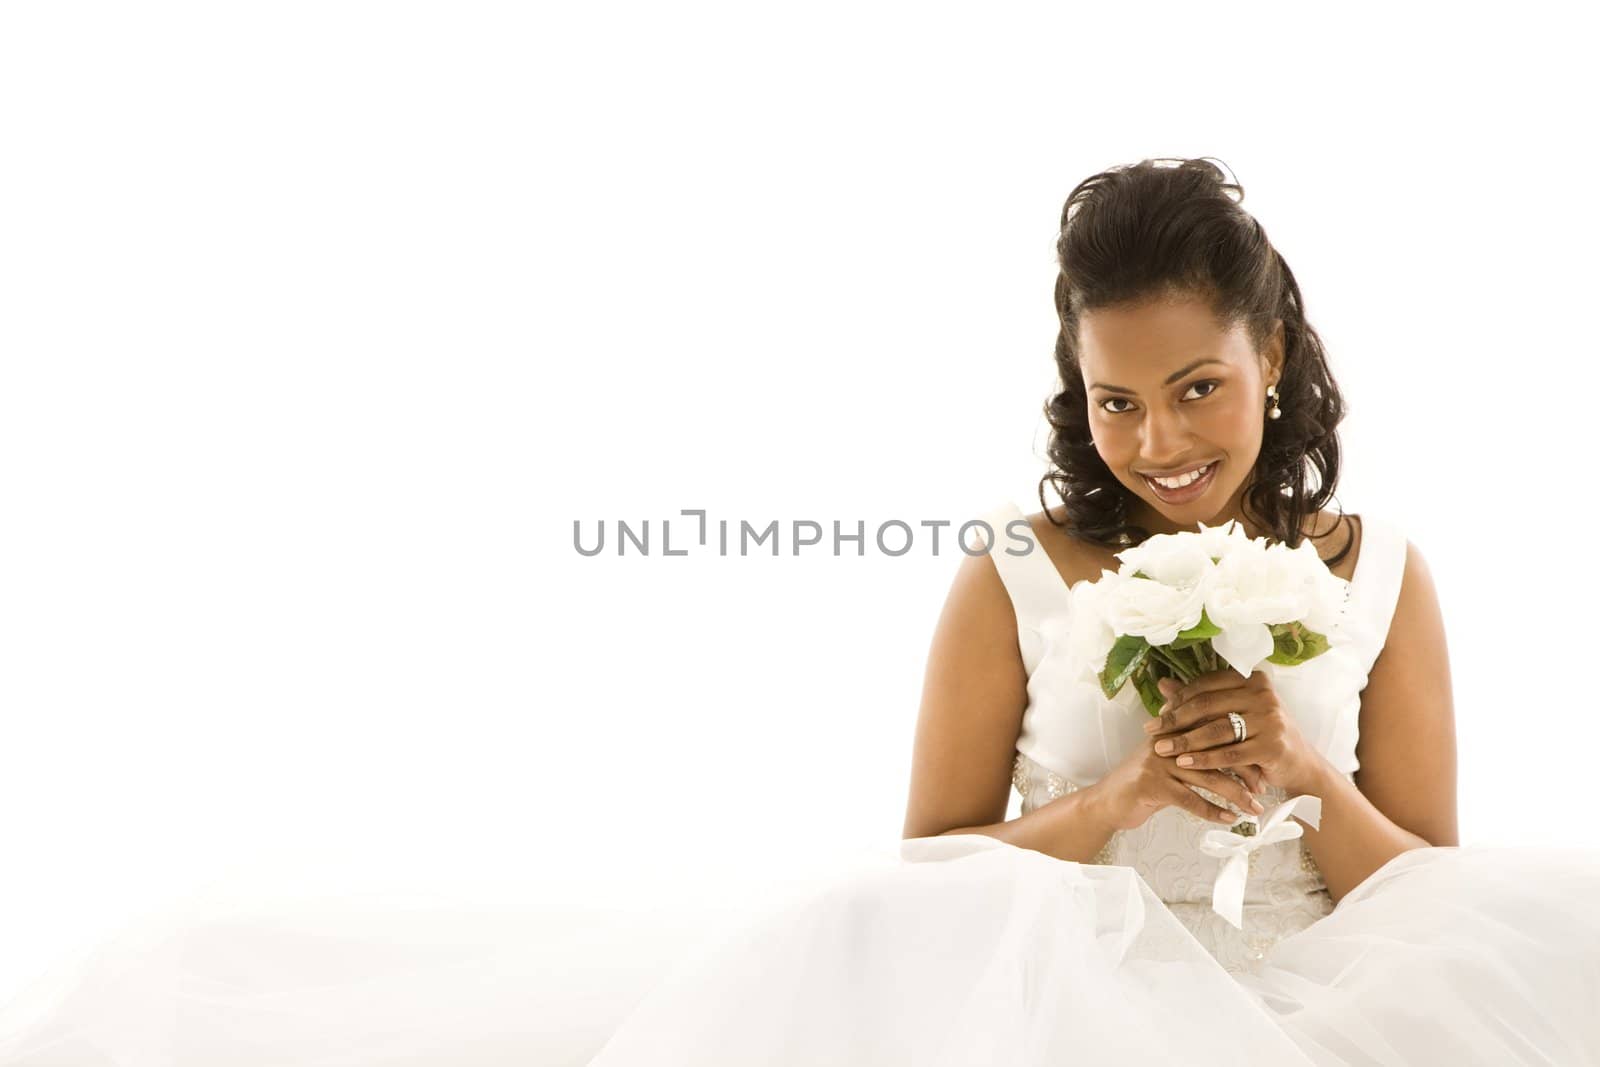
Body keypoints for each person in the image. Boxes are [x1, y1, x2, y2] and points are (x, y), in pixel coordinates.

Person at [585, 158, 1600, 1065]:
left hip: (1331, 1011)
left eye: (1199, 387)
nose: (1160, 442)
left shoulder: (1382, 571)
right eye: (1116, 401)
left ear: (1274, 357)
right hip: (1073, 1011)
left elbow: (1432, 891)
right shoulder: (1015, 565)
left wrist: (1297, 768)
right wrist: (1115, 799)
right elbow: (927, 868)